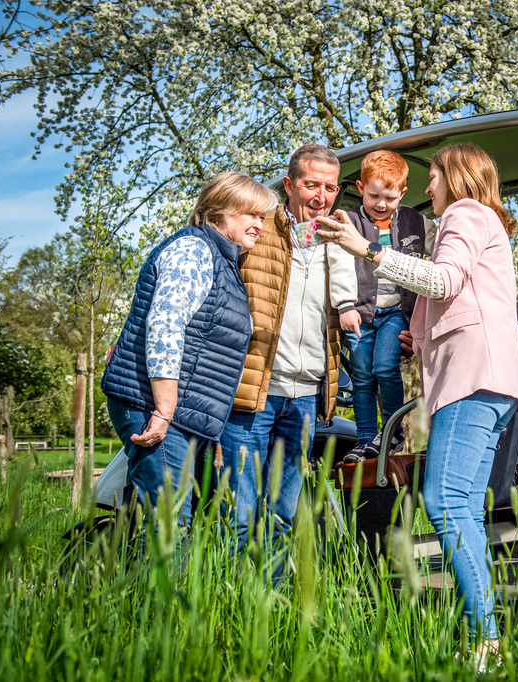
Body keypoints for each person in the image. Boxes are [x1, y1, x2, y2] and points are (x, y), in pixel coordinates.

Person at [320, 143, 518, 668]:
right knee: (465, 512)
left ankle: (485, 640)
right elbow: (463, 296)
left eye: (432, 176)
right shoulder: (486, 221)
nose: (428, 187)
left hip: (472, 379)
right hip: (495, 382)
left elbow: (443, 281)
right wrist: (420, 333)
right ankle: (483, 634)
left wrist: (366, 249)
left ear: (453, 177)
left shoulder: (464, 212)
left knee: (443, 501)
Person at [102, 172, 278, 525]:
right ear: (222, 211)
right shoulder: (194, 249)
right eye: (252, 215)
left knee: (170, 520)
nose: (260, 225)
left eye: (263, 217)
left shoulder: (223, 260)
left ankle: (138, 579)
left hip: (181, 413)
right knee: (171, 523)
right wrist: (164, 409)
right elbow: (166, 324)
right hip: (154, 406)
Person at [220, 143, 360, 552]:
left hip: (305, 399)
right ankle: (235, 605)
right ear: (289, 185)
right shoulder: (258, 231)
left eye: (330, 188)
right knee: (240, 513)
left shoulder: (339, 238)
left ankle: (274, 603)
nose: (321, 196)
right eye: (312, 185)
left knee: (282, 515)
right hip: (254, 394)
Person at [342, 150, 434, 463]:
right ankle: (366, 438)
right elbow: (315, 237)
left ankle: (392, 431)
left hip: (396, 312)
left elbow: (448, 246)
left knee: (384, 366)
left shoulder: (416, 223)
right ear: (360, 187)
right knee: (363, 376)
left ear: (403, 194)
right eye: (374, 196)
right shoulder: (350, 221)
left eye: (390, 198)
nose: (382, 204)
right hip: (360, 311)